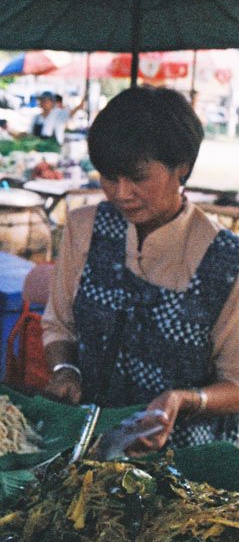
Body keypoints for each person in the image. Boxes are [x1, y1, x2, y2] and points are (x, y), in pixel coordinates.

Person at [42, 86, 239, 453]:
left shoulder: (227, 261)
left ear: (181, 168)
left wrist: (183, 399)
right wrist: (65, 372)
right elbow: (59, 325)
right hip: (86, 444)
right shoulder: (84, 228)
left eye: (137, 177)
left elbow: (236, 384)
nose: (120, 193)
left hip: (182, 463)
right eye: (108, 176)